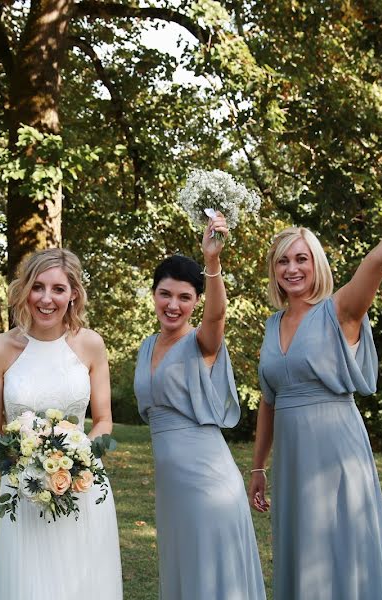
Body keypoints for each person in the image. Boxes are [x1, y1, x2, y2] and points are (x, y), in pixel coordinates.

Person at [249, 167, 382, 600]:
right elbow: (269, 401)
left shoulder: (340, 310)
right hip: (292, 459)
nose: (292, 268)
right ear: (273, 270)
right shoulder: (272, 326)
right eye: (283, 260)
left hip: (336, 451)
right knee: (301, 550)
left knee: (339, 547)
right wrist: (258, 467)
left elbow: (378, 259)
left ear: (316, 265)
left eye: (301, 258)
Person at [133, 213, 266, 599]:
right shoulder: (145, 347)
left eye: (184, 297)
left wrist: (212, 262)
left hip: (208, 482)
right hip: (171, 487)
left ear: (196, 302)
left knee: (213, 578)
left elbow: (218, 314)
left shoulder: (201, 343)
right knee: (185, 575)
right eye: (165, 294)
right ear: (154, 294)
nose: (173, 305)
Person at [0, 248, 123, 600]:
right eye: (38, 287)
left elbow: (103, 420)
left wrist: (77, 462)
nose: (46, 299)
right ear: (24, 290)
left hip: (83, 486)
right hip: (23, 491)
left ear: (73, 293)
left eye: (58, 289)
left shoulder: (90, 345)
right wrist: (26, 468)